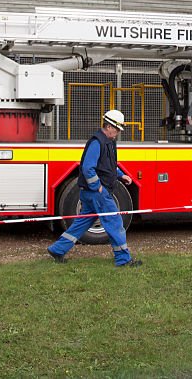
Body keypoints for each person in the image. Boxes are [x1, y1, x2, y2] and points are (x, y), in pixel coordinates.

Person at [46, 109, 141, 267]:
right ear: (109, 126)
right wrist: (98, 187)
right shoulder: (98, 142)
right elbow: (88, 168)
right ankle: (124, 260)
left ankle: (57, 249)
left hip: (93, 193)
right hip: (98, 193)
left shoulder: (107, 142)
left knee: (81, 224)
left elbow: (107, 166)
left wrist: (120, 175)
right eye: (117, 129)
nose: (117, 133)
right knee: (115, 223)